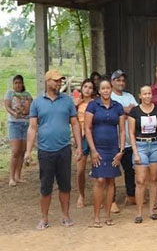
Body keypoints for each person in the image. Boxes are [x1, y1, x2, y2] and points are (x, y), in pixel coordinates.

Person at [25, 69, 82, 230]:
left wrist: (78, 145)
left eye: (60, 81)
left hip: (64, 149)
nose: (59, 83)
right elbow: (32, 128)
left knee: (65, 185)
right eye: (56, 80)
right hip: (45, 150)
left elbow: (75, 123)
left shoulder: (67, 101)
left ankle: (65, 215)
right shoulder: (37, 103)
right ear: (47, 81)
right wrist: (28, 151)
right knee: (46, 186)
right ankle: (44, 218)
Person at [85, 80, 126, 228]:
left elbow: (122, 130)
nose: (106, 90)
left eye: (108, 88)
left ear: (111, 89)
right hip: (98, 148)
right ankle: (96, 217)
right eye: (103, 88)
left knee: (110, 181)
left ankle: (108, 216)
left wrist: (121, 150)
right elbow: (88, 128)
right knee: (100, 180)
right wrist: (93, 150)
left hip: (113, 148)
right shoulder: (93, 105)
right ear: (99, 91)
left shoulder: (118, 107)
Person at [128, 85, 157, 223]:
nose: (147, 96)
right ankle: (139, 213)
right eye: (144, 94)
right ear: (140, 96)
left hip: (155, 145)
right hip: (140, 146)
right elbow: (131, 132)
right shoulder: (134, 111)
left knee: (154, 180)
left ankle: (152, 210)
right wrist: (135, 152)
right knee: (141, 180)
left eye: (149, 93)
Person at [110, 70, 137, 210]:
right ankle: (112, 200)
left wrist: (125, 112)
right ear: (112, 82)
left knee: (129, 170)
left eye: (122, 80)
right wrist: (125, 111)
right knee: (112, 171)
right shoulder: (109, 97)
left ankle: (131, 196)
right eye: (117, 80)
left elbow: (136, 112)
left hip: (128, 140)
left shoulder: (129, 96)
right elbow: (114, 114)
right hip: (113, 140)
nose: (121, 83)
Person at [5, 74, 32, 187]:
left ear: (23, 84)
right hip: (14, 124)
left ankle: (18, 176)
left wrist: (26, 111)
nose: (18, 85)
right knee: (15, 151)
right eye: (16, 83)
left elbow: (30, 107)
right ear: (13, 84)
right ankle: (11, 177)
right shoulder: (9, 94)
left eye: (20, 83)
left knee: (22, 151)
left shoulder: (27, 95)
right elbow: (7, 106)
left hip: (25, 124)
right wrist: (14, 113)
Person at [74, 78, 95, 207]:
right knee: (80, 170)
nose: (87, 89)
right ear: (81, 88)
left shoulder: (95, 103)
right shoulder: (76, 103)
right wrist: (76, 104)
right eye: (85, 87)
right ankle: (81, 195)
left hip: (93, 137)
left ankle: (98, 195)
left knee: (96, 169)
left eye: (90, 87)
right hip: (80, 138)